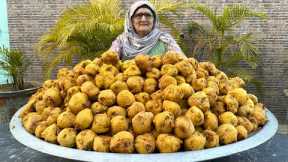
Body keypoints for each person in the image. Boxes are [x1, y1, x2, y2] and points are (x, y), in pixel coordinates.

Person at [109, 0, 186, 60]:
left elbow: (183, 62)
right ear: (131, 20)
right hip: (126, 80)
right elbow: (107, 60)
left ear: (154, 20)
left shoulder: (165, 40)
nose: (143, 19)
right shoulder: (122, 41)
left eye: (148, 15)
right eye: (138, 15)